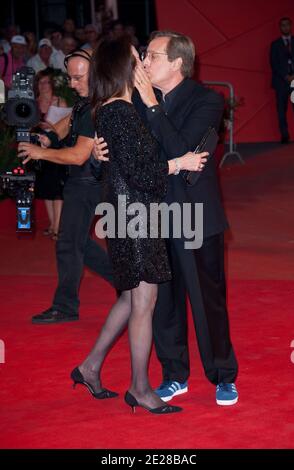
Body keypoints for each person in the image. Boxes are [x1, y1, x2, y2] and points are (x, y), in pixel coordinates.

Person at [94, 31, 239, 406]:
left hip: (196, 215)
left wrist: (151, 106)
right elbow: (131, 161)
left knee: (209, 302)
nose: (143, 61)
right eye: (143, 54)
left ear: (177, 63)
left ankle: (223, 374)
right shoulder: (135, 104)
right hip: (151, 217)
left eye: (152, 55)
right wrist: (99, 155)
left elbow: (185, 157)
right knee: (161, 303)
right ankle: (174, 373)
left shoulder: (208, 100)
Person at [71, 36, 208, 414]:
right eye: (137, 57)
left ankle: (90, 368)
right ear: (122, 67)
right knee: (143, 302)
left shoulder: (110, 109)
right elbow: (143, 172)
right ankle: (141, 388)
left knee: (131, 298)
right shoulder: (121, 111)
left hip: (127, 214)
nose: (143, 63)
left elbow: (122, 165)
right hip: (137, 217)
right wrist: (179, 164)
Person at [18, 49, 114, 324]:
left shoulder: (98, 106)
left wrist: (41, 153)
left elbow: (78, 155)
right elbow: (69, 120)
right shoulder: (88, 100)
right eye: (70, 77)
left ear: (96, 73)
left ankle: (65, 306)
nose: (72, 84)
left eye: (78, 78)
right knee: (76, 242)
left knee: (69, 244)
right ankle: (125, 281)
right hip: (84, 182)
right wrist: (49, 137)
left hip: (87, 183)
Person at [33, 68, 70, 240]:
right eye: (41, 82)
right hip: (38, 147)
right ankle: (51, 223)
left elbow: (66, 126)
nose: (44, 85)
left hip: (56, 147)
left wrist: (50, 126)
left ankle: (58, 227)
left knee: (57, 189)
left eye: (47, 81)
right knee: (46, 189)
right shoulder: (34, 102)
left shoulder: (60, 101)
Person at [270, 17, 294, 144]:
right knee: (281, 110)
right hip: (281, 82)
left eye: (287, 25)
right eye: (283, 25)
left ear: (291, 26)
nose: (285, 27)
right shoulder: (275, 44)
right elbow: (273, 63)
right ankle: (285, 136)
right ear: (280, 27)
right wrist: (286, 76)